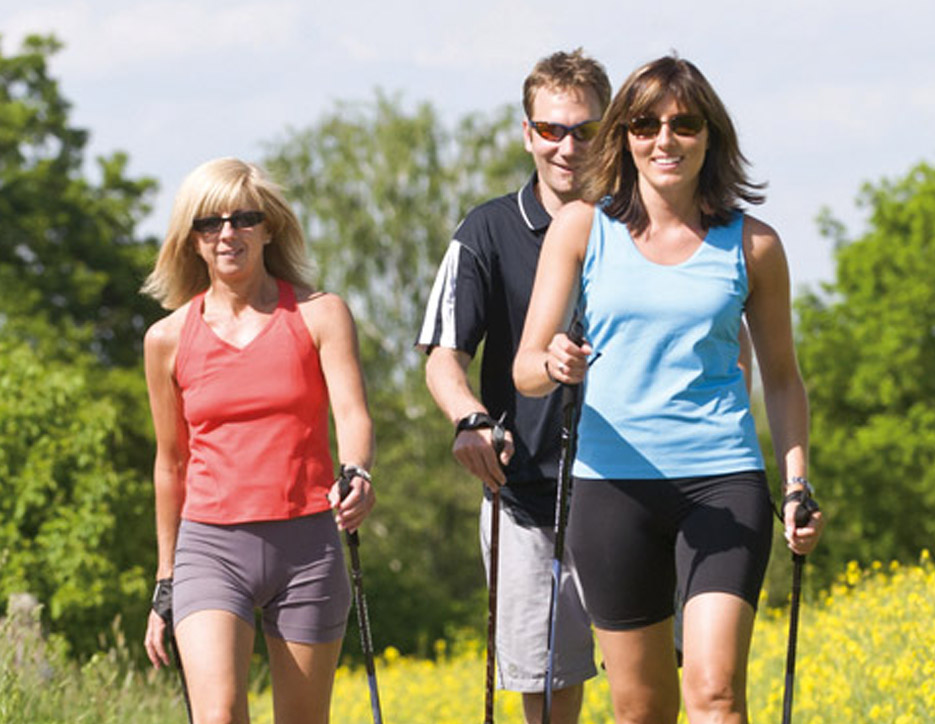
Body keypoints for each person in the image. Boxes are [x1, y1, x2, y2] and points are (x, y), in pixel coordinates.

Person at [513, 55, 826, 724]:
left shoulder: (754, 245)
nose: (664, 139)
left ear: (710, 135)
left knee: (715, 693)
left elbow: (783, 378)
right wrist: (557, 363)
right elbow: (525, 368)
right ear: (623, 135)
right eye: (645, 123)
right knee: (642, 710)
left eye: (684, 124)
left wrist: (797, 483)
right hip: (611, 490)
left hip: (723, 483)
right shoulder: (580, 228)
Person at [140, 157, 376, 724]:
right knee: (218, 715)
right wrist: (164, 580)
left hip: (308, 546)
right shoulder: (166, 339)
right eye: (209, 223)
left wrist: (359, 472)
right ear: (191, 240)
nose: (227, 233)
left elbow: (353, 415)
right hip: (210, 548)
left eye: (244, 218)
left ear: (268, 228)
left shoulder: (321, 316)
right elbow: (170, 464)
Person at [416, 49, 610, 724]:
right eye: (551, 129)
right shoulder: (485, 230)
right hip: (526, 498)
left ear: (608, 130)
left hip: (636, 491)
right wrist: (469, 420)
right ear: (526, 132)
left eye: (584, 129)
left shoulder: (640, 226)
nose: (566, 145)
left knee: (654, 697)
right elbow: (444, 358)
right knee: (548, 703)